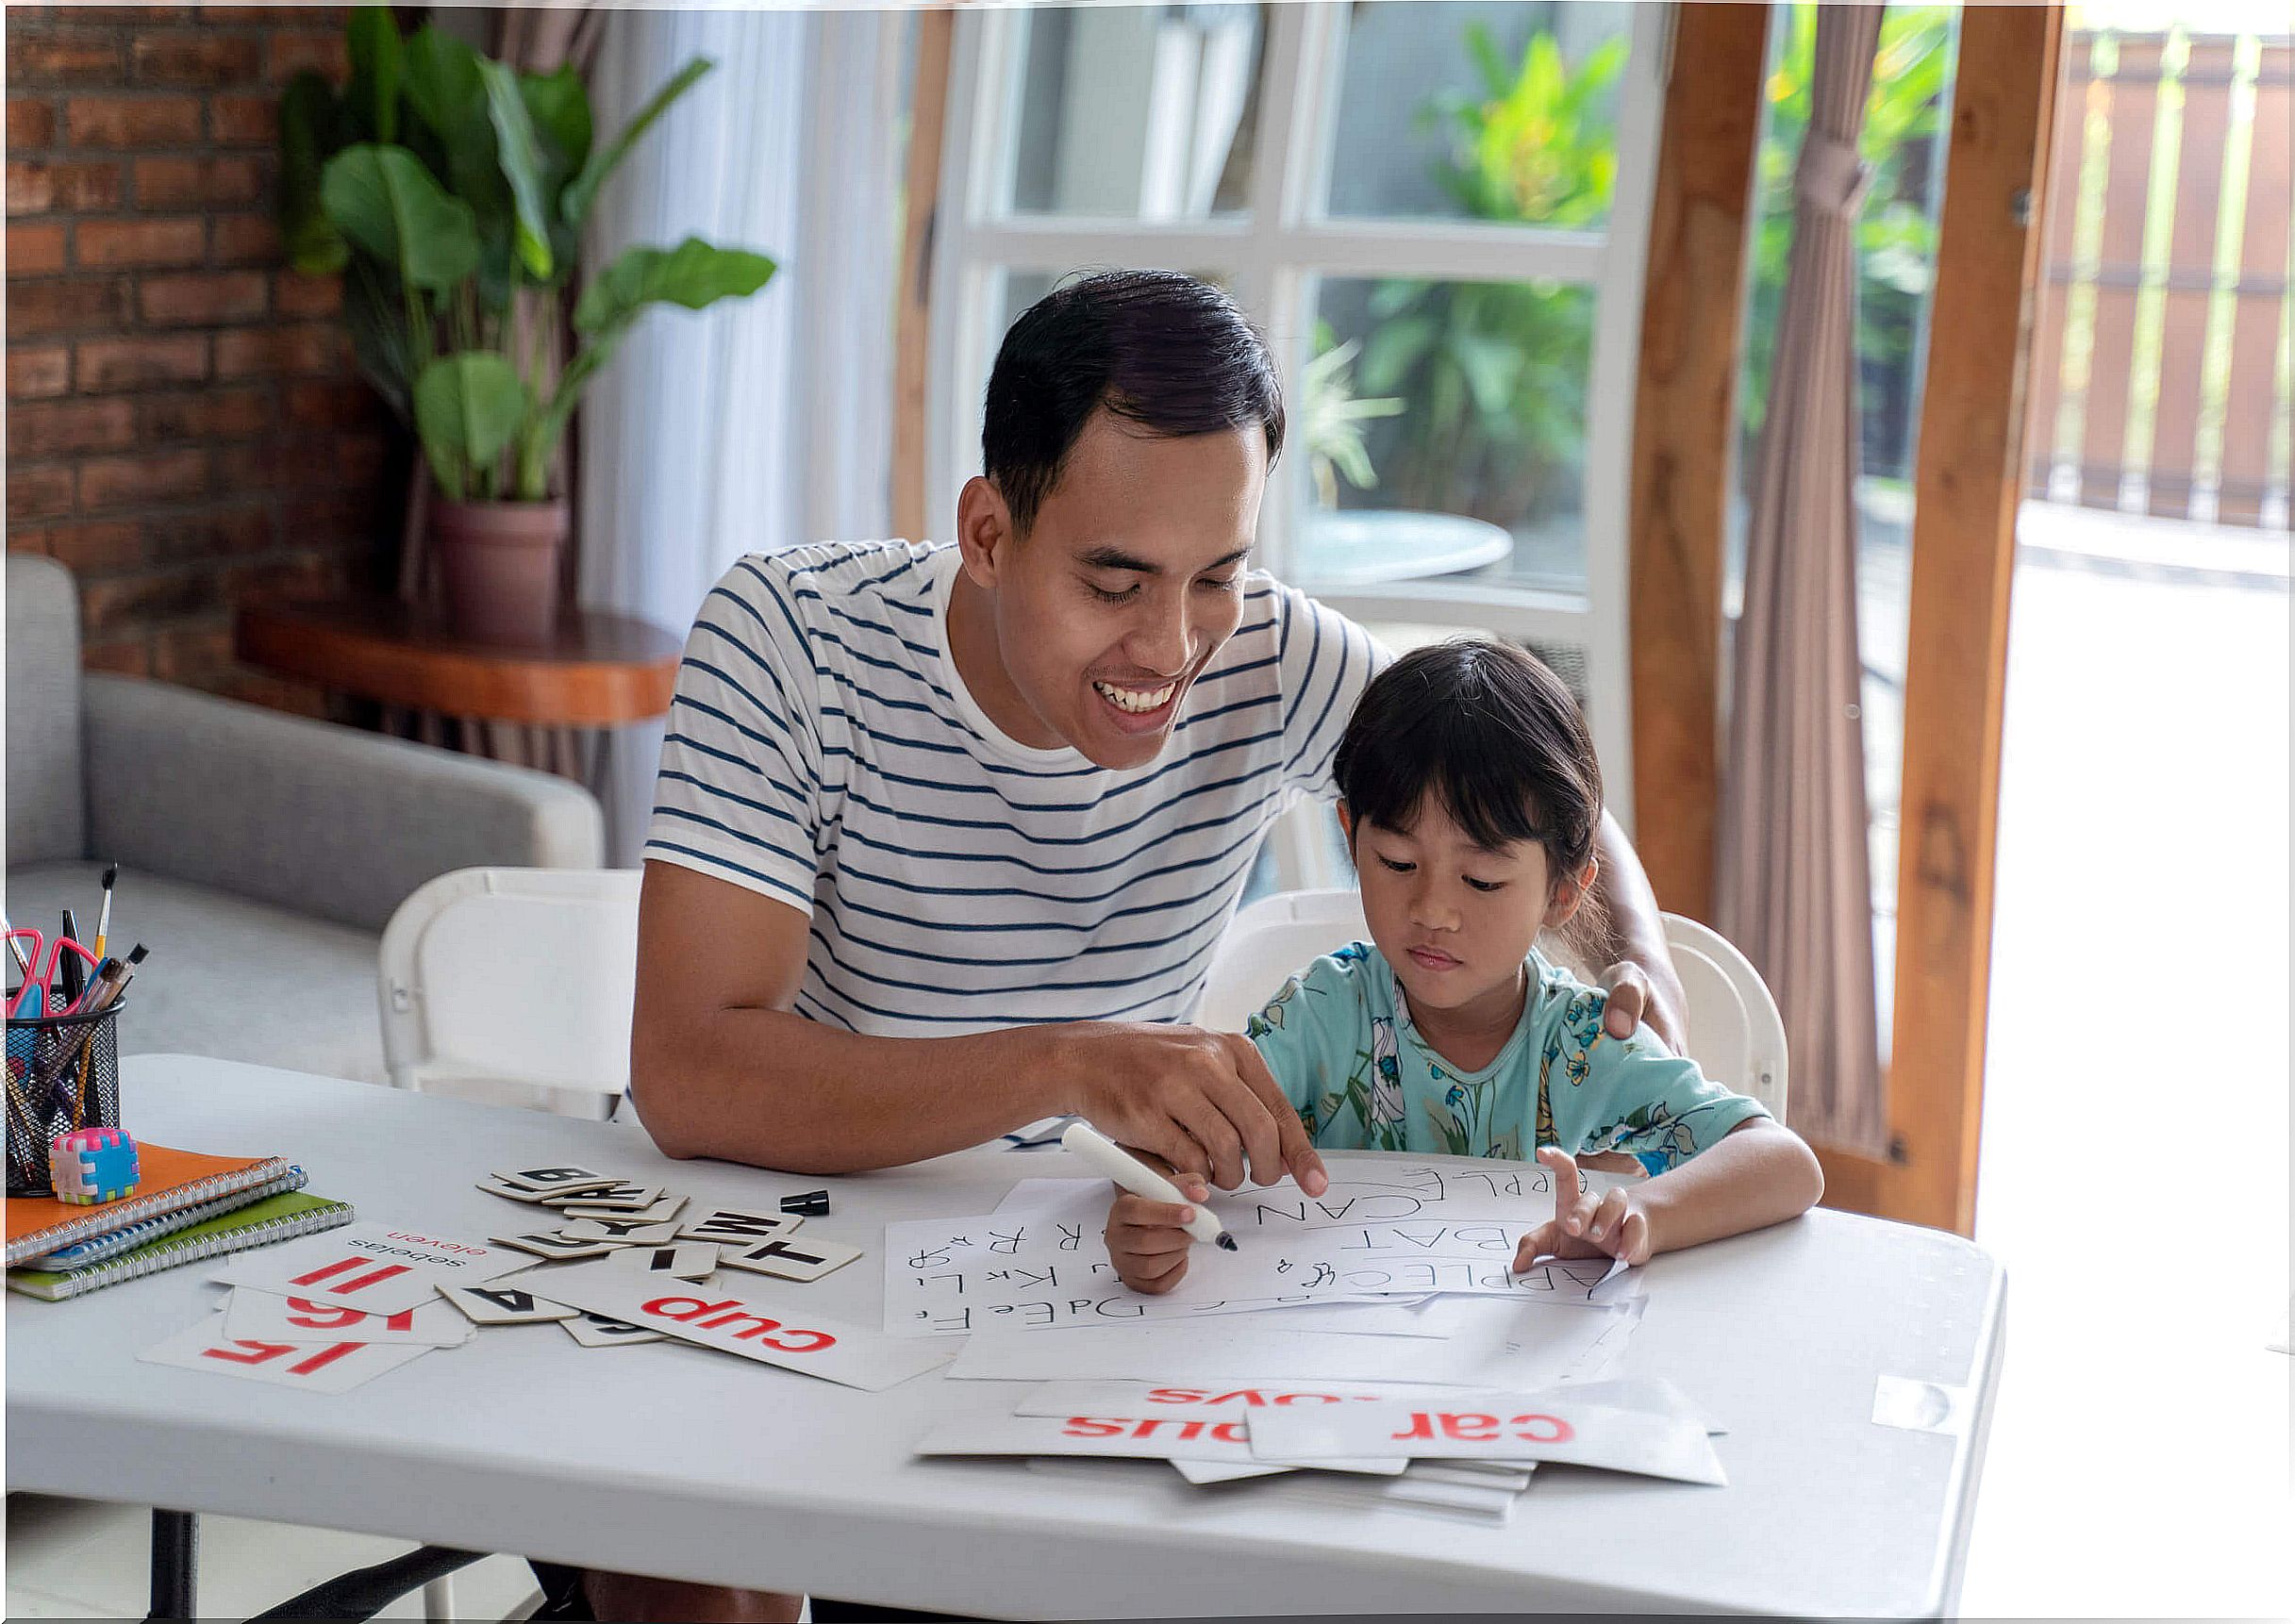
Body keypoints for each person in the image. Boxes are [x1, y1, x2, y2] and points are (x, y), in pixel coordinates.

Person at [545, 272, 1691, 1621]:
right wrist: (1071, 1065)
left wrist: (1641, 968)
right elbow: (689, 1074)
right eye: (1115, 578)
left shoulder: (1270, 657)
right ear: (985, 530)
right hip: (792, 1235)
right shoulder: (792, 640)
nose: (1173, 644)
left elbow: (1525, 773)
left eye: (1218, 573)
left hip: (1095, 1274)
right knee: (693, 1558)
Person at [1105, 639, 1824, 1296]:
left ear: (1564, 890)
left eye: (1480, 882)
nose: (1433, 911)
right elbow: (1170, 1143)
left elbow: (1784, 1164)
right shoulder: (1321, 1016)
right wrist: (1154, 1202)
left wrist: (1635, 1211)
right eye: (1396, 863)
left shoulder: (1581, 1048)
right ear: (1352, 838)